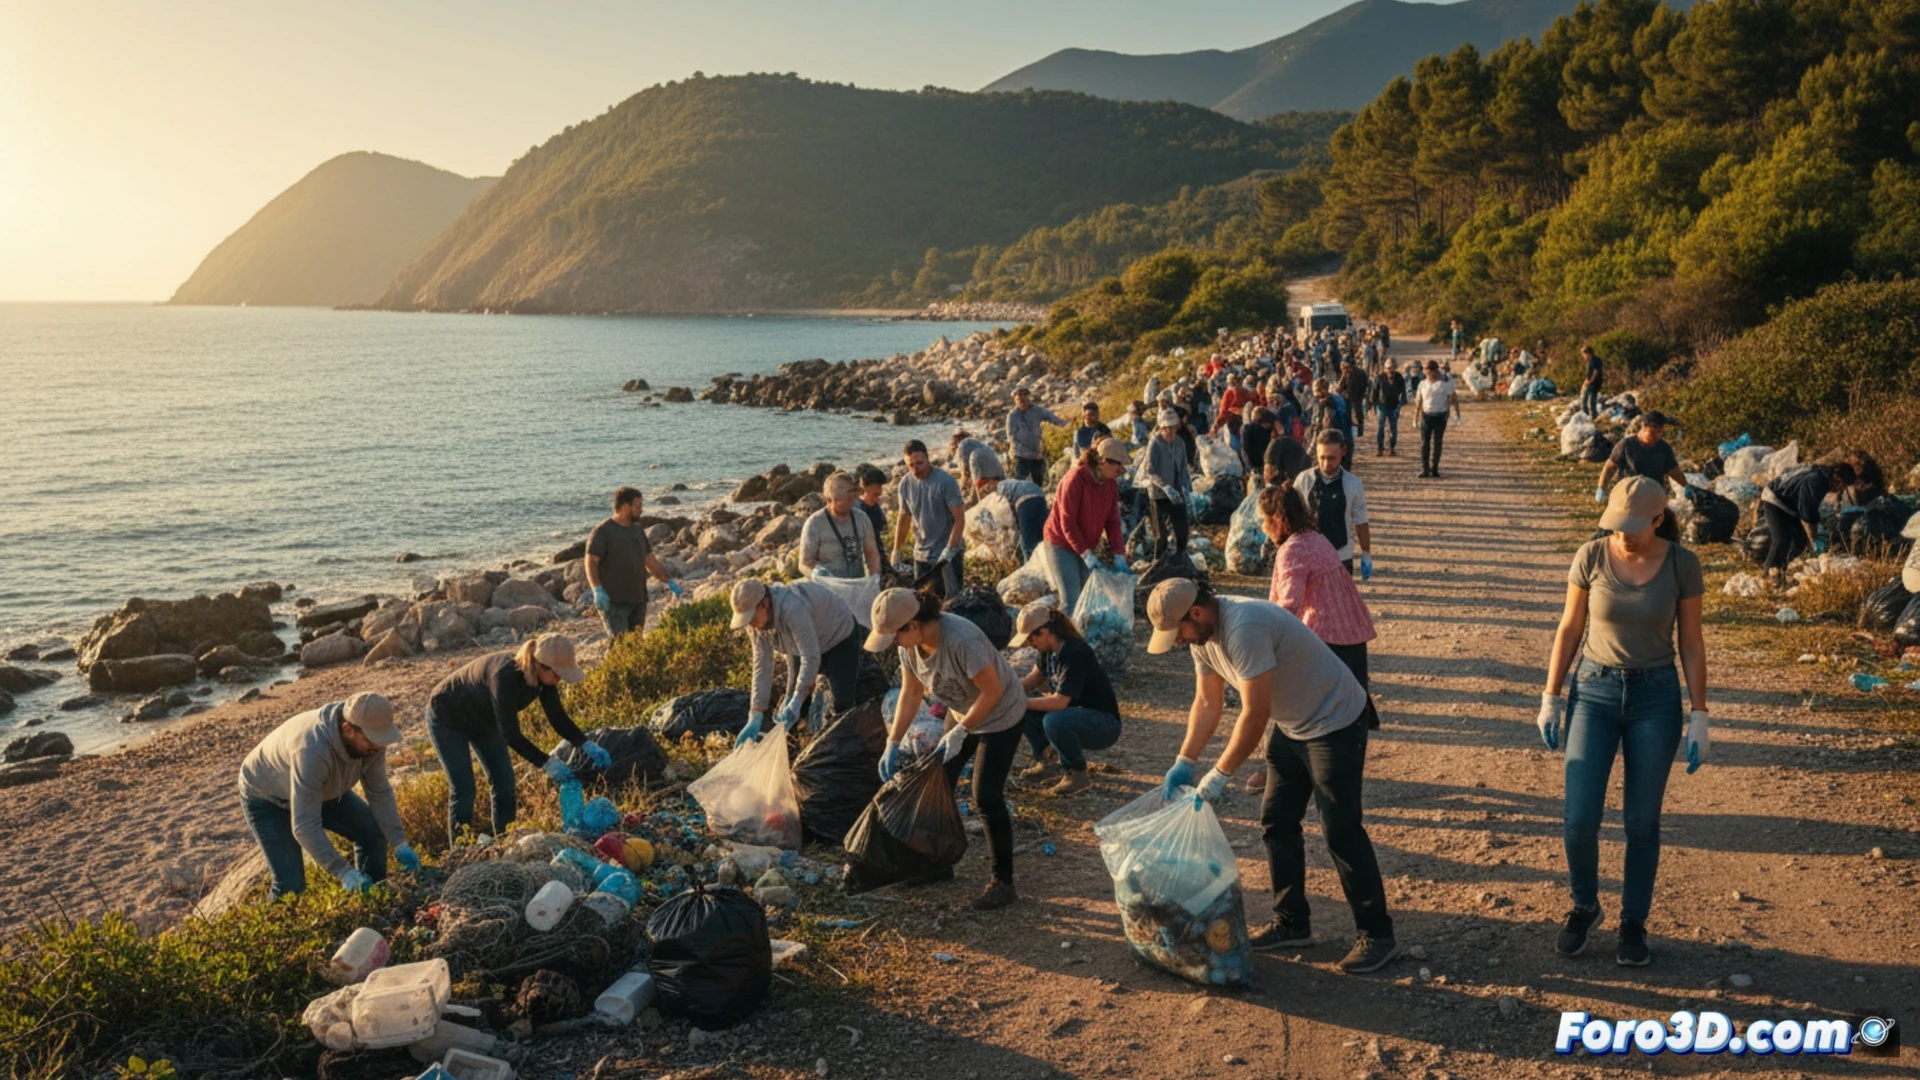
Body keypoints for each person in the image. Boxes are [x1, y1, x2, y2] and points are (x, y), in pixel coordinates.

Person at [1146, 578, 1397, 973]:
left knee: (1340, 828)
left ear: (1196, 612)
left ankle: (1377, 934)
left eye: (1177, 632)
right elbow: (1207, 702)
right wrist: (1185, 760)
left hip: (1335, 719)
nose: (1177, 641)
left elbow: (1254, 712)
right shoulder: (1203, 639)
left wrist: (1219, 774)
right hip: (1293, 724)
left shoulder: (1245, 626)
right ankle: (1291, 923)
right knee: (1277, 820)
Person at [1538, 477, 1708, 966]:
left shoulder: (1682, 565)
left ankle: (1633, 921)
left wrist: (1700, 714)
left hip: (1656, 697)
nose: (1624, 534)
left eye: (1635, 526)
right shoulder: (1591, 556)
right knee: (1579, 818)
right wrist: (1551, 695)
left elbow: (1692, 642)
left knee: (1641, 822)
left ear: (1659, 519)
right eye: (1617, 524)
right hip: (1594, 691)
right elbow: (1570, 626)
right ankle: (1584, 906)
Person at [869, 588, 1029, 910]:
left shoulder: (961, 640)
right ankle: (938, 865)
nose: (894, 643)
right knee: (937, 783)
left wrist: (962, 731)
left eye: (896, 636)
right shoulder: (910, 648)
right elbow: (911, 694)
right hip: (961, 715)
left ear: (913, 626)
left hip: (1002, 716)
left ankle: (1003, 883)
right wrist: (893, 741)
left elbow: (993, 691)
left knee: (985, 797)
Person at [426, 635, 604, 843]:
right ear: (541, 665)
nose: (560, 680)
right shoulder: (504, 676)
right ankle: (460, 849)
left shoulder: (544, 679)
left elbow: (557, 717)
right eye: (558, 675)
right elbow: (511, 735)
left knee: (504, 782)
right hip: (448, 717)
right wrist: (547, 763)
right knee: (464, 788)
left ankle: (503, 840)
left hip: (484, 719)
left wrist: (584, 742)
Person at [240, 691, 417, 899]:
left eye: (381, 740)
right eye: (372, 741)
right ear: (347, 729)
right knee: (291, 885)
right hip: (267, 796)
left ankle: (372, 899)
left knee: (372, 833)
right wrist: (344, 872)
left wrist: (399, 842)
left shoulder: (372, 742)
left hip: (319, 788)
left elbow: (379, 792)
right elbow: (304, 826)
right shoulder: (311, 750)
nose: (378, 746)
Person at [1262, 484, 1377, 696]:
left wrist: (1269, 643)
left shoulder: (1293, 550)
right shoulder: (1316, 537)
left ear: (1277, 519)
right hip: (1351, 631)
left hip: (1325, 640)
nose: (1263, 527)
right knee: (1354, 707)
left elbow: (1288, 606)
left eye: (1264, 520)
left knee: (1315, 715)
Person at [1010, 603, 1121, 795]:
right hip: (1075, 715)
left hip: (1103, 724)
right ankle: (1046, 761)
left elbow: (1060, 702)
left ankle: (1076, 773)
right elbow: (1034, 679)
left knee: (1053, 720)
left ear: (1044, 631)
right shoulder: (1047, 652)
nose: (1030, 644)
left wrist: (1018, 702)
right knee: (1024, 705)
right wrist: (1006, 694)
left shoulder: (1075, 652)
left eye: (1031, 638)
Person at [730, 578, 859, 743]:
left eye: (752, 618)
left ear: (765, 604)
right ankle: (792, 747)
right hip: (799, 645)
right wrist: (755, 713)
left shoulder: (792, 608)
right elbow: (762, 665)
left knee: (842, 700)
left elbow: (811, 655)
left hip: (837, 635)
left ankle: (846, 750)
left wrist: (798, 698)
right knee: (790, 702)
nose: (751, 624)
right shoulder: (756, 626)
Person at [1039, 437, 1129, 612]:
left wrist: (1119, 553)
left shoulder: (1110, 484)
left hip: (1086, 544)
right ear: (1103, 462)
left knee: (1087, 597)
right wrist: (1087, 555)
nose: (1122, 470)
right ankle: (1065, 638)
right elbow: (1067, 523)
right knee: (1071, 600)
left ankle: (1081, 637)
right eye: (1119, 465)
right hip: (1060, 544)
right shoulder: (1075, 480)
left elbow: (1113, 521)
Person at [586, 487, 683, 637]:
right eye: (637, 505)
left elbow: (650, 561)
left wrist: (669, 581)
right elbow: (591, 562)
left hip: (638, 600)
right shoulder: (603, 531)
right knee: (620, 644)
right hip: (614, 602)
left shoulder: (637, 531)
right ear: (625, 506)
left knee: (635, 644)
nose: (641, 509)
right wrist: (597, 590)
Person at [1758, 460, 1858, 587]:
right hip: (1775, 498)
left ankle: (1781, 569)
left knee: (1799, 542)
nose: (1841, 490)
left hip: (1790, 504)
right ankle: (1768, 574)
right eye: (1842, 486)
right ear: (1837, 478)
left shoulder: (1824, 478)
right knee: (1781, 537)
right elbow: (1807, 511)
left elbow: (1809, 508)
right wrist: (1814, 538)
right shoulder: (1816, 481)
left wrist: (1811, 535)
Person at [891, 439, 966, 599]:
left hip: (946, 555)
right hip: (921, 554)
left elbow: (959, 518)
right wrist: (896, 550)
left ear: (928, 458)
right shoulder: (905, 484)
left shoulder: (945, 481)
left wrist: (950, 551)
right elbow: (904, 518)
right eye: (910, 465)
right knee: (923, 601)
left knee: (951, 601)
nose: (916, 469)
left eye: (919, 463)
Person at [1293, 431, 1373, 579]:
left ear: (1343, 451)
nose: (1325, 464)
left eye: (1331, 458)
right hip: (1310, 554)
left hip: (1341, 555)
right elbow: (1292, 516)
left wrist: (1366, 552)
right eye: (1321, 457)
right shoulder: (1303, 480)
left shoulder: (1353, 484)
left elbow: (1361, 521)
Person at [800, 471, 883, 580]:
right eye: (846, 499)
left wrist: (874, 578)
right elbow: (804, 564)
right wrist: (815, 575)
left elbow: (872, 554)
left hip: (856, 584)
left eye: (852, 496)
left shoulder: (862, 518)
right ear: (830, 500)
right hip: (828, 589)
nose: (852, 501)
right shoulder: (814, 524)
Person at [970, 455, 1049, 561]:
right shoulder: (1010, 483)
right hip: (1039, 494)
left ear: (991, 482)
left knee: (1027, 543)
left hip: (1024, 500)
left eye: (987, 487)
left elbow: (1008, 516)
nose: (987, 490)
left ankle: (1031, 569)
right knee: (1044, 533)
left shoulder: (999, 489)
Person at [1140, 409, 1192, 561]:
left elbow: (1183, 468)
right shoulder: (1155, 443)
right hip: (1158, 494)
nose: (1168, 431)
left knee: (1182, 531)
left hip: (1176, 492)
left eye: (1171, 427)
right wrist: (1165, 487)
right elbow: (1149, 471)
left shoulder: (1179, 443)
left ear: (1177, 427)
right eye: (1165, 428)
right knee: (1161, 535)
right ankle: (1158, 563)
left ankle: (1180, 561)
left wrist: (1186, 487)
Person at [1596, 412, 1686, 499]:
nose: (1658, 436)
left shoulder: (1664, 449)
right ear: (1644, 427)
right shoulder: (1626, 445)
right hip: (1628, 495)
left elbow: (1674, 471)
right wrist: (1601, 488)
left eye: (1660, 433)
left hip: (1653, 496)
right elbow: (1609, 467)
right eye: (1653, 433)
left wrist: (1685, 486)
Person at [1006, 387, 1068, 484]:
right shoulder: (1012, 416)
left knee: (1039, 482)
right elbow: (1011, 438)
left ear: (1028, 397)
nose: (1021, 401)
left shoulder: (1037, 410)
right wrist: (1026, 452)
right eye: (1018, 399)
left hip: (1037, 453)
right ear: (1015, 400)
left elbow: (1051, 417)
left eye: (1023, 397)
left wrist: (1066, 425)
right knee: (1020, 482)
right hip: (1021, 454)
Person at [1415, 360, 1462, 479]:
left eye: (1429, 370)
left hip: (1440, 416)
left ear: (1434, 371)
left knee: (1437, 442)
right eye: (1425, 370)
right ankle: (1425, 468)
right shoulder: (1423, 384)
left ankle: (1434, 468)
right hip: (1426, 415)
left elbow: (1454, 399)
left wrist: (1457, 416)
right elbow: (1418, 401)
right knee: (1425, 443)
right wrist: (1415, 417)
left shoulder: (1445, 384)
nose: (1427, 372)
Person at [1309, 379, 1354, 468]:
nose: (1314, 394)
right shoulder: (1338, 399)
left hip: (1333, 444)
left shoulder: (1328, 406)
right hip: (1344, 441)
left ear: (1323, 390)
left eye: (1315, 390)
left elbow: (1322, 428)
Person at [1369, 362, 1406, 457]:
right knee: (1381, 427)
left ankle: (1391, 448)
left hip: (1394, 405)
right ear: (1385, 369)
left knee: (1393, 428)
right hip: (1382, 405)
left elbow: (1403, 391)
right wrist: (1372, 405)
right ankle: (1380, 448)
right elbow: (1374, 392)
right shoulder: (1380, 377)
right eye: (1389, 368)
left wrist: (1401, 403)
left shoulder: (1399, 378)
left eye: (1393, 368)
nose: (1391, 370)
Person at [854, 464, 889, 540]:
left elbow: (884, 529)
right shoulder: (856, 508)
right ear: (865, 487)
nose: (880, 491)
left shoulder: (875, 506)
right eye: (877, 487)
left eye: (880, 487)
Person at [1241, 408, 1275, 484]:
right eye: (1268, 426)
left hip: (1251, 471)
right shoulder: (1264, 435)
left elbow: (1245, 452)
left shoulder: (1245, 430)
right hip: (1261, 470)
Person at [1337, 361, 1369, 439]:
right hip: (1352, 396)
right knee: (1356, 413)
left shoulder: (1352, 373)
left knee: (1355, 412)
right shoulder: (1357, 372)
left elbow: (1339, 388)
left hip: (1354, 395)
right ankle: (1357, 429)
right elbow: (1339, 388)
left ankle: (1355, 429)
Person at [1580, 345, 1604, 418]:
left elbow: (1595, 372)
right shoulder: (1591, 360)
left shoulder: (1595, 360)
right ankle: (1589, 416)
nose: (1583, 356)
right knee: (1587, 400)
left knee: (1588, 401)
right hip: (1592, 382)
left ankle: (1591, 416)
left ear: (1587, 353)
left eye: (1583, 354)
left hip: (1594, 383)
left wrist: (1590, 381)